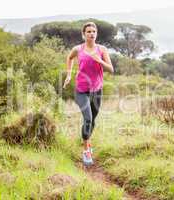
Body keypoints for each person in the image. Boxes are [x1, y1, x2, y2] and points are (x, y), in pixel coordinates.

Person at [63, 22, 114, 165]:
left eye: (93, 31)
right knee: (88, 119)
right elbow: (69, 58)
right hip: (81, 90)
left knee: (93, 121)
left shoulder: (102, 49)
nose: (91, 34)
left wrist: (100, 61)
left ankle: (87, 141)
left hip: (97, 90)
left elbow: (111, 69)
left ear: (96, 34)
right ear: (83, 34)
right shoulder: (78, 49)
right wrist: (68, 74)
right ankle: (86, 150)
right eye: (88, 32)